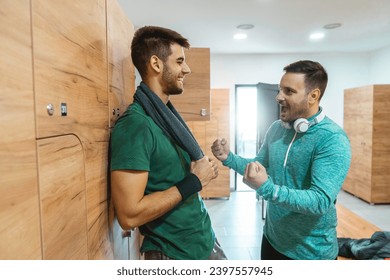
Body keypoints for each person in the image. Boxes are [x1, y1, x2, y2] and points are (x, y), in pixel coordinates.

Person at [211, 60, 351, 260]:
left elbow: (320, 201)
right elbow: (257, 166)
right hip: (271, 240)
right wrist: (229, 158)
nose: (278, 97)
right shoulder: (278, 128)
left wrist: (267, 188)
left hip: (310, 254)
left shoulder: (332, 139)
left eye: (289, 91)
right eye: (279, 90)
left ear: (313, 96)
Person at [110, 26, 227, 260]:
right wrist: (195, 181)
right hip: (175, 255)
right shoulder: (136, 125)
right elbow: (128, 215)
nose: (187, 69)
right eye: (180, 61)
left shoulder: (165, 118)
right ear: (156, 64)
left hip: (203, 241)